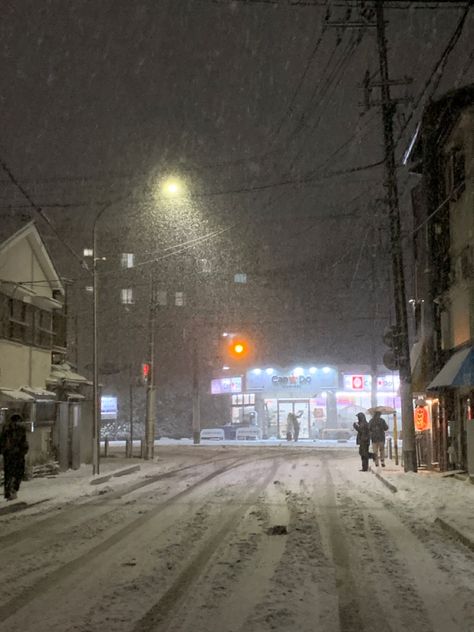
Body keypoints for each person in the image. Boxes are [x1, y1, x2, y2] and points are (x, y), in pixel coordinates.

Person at [0, 412, 29, 501]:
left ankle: (8, 492)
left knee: (8, 473)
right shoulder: (21, 429)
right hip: (18, 455)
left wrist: (2, 451)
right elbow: (23, 443)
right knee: (18, 472)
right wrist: (24, 451)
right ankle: (14, 489)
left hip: (8, 455)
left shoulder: (6, 428)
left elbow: (1, 441)